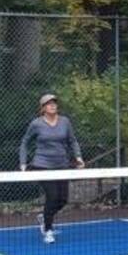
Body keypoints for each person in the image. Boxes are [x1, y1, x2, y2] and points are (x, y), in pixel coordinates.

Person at [18, 93, 84, 243]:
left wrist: (78, 157)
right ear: (43, 108)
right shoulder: (36, 124)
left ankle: (45, 216)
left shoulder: (65, 122)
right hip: (42, 165)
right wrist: (23, 163)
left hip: (62, 165)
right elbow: (25, 142)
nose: (53, 105)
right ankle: (48, 230)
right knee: (52, 196)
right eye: (49, 103)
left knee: (63, 199)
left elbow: (72, 141)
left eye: (54, 103)